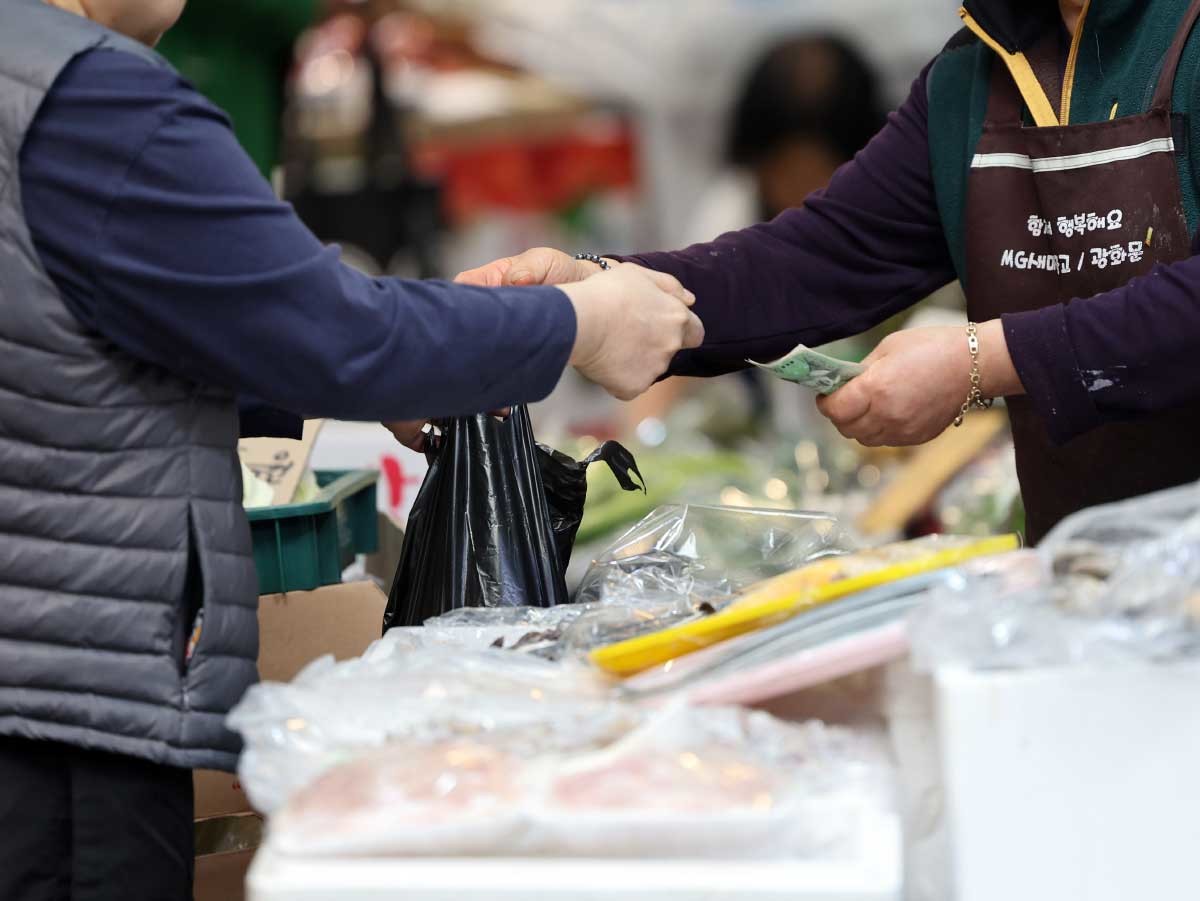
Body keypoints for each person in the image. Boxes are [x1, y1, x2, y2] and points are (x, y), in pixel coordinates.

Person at [0, 1, 701, 898]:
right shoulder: (91, 98)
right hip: (63, 717)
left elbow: (73, 335)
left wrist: (396, 370)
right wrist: (580, 321)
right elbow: (333, 331)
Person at [460, 0, 1200, 546]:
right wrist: (597, 290)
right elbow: (811, 262)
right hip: (1096, 589)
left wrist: (981, 361)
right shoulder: (973, 77)